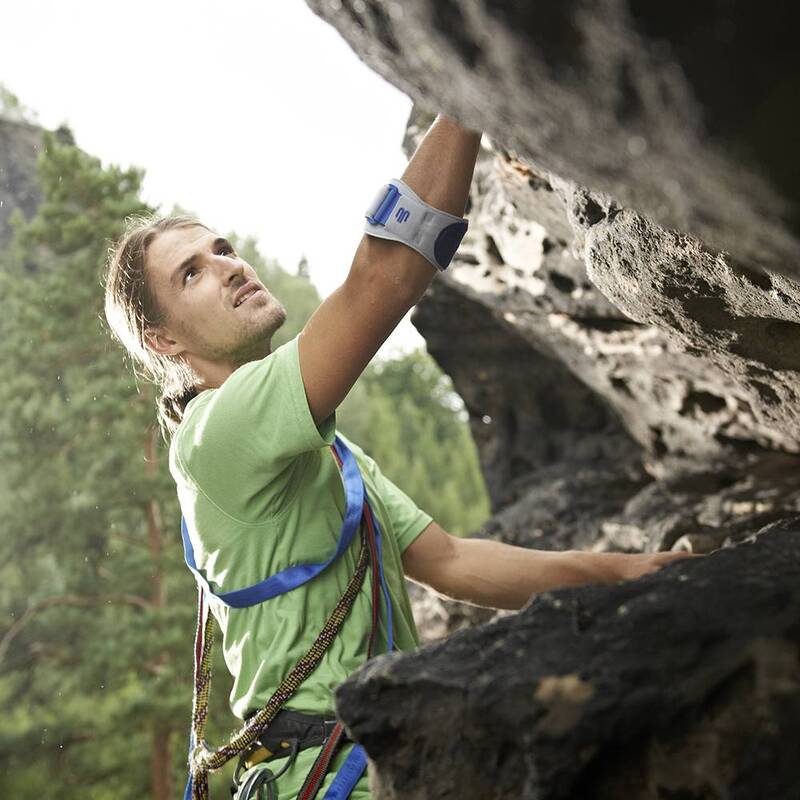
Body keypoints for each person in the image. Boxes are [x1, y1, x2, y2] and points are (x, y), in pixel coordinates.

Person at [102, 113, 700, 798]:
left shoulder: (327, 458)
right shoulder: (215, 436)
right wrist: (464, 101)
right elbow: (381, 281)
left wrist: (628, 572)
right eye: (192, 274)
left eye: (224, 248)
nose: (232, 267)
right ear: (165, 342)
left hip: (376, 765)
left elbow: (451, 561)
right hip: (324, 777)